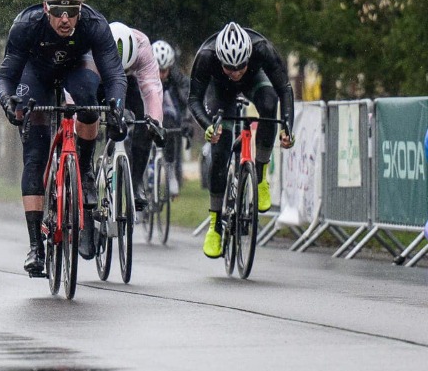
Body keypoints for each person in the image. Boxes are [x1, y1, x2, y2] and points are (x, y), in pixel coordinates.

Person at [0, 0, 128, 276]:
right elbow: (5, 76)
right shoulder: (26, 25)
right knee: (35, 153)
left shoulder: (95, 25)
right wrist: (8, 101)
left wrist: (117, 106)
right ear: (45, 9)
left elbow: (114, 73)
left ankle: (84, 167)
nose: (65, 19)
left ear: (81, 9)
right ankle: (35, 248)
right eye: (57, 11)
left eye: (72, 11)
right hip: (36, 74)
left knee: (88, 100)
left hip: (77, 68)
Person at [188, 21, 295, 258]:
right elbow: (194, 99)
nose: (235, 73)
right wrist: (207, 127)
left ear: (249, 57)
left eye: (240, 66)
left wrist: (287, 127)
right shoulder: (206, 56)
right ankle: (215, 224)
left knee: (269, 104)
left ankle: (260, 177)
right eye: (229, 67)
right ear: (220, 60)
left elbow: (285, 88)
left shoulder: (262, 49)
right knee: (220, 149)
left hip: (255, 81)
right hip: (220, 93)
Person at [107, 22, 164, 211]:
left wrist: (155, 122)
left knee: (145, 121)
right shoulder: (96, 41)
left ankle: (137, 182)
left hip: (133, 82)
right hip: (103, 77)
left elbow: (151, 88)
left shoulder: (142, 47)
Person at [153, 39, 191, 195]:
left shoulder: (176, 78)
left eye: (164, 71)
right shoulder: (143, 75)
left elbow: (185, 101)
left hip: (167, 111)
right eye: (158, 70)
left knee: (169, 127)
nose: (161, 75)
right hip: (149, 108)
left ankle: (170, 171)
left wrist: (186, 121)